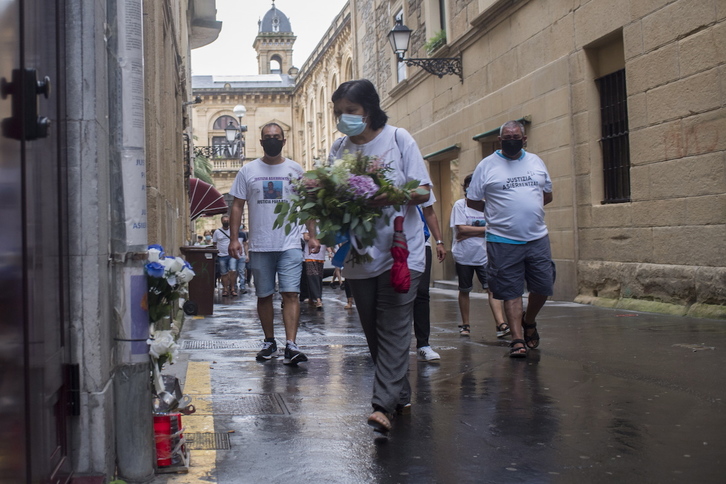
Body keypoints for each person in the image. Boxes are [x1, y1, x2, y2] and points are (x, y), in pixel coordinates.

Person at [328, 79, 432, 435]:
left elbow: (422, 190)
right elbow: (332, 194)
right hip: (359, 255)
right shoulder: (339, 150)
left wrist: (388, 195)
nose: (344, 118)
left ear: (368, 110)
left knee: (394, 324)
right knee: (373, 330)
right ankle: (399, 393)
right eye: (339, 112)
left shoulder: (399, 139)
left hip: (401, 252)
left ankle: (381, 405)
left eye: (351, 112)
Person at [228, 122, 320, 365]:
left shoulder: (295, 169)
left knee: (291, 293)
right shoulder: (247, 171)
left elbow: (308, 203)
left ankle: (291, 344)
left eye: (276, 136)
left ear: (283, 140)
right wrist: (234, 239)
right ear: (261, 141)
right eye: (267, 136)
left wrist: (313, 234)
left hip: (289, 243)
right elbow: (237, 205)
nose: (272, 140)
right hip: (260, 245)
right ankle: (270, 341)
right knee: (264, 295)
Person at [466, 120, 554, 358]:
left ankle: (529, 320)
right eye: (507, 137)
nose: (512, 140)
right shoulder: (487, 166)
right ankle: (517, 339)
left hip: (537, 237)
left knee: (544, 286)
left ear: (524, 139)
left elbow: (547, 195)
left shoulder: (536, 162)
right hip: (502, 239)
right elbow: (472, 201)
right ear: (500, 140)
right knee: (511, 290)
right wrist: (498, 213)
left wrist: (526, 210)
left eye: (516, 136)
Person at [450, 174, 510, 339]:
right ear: (465, 188)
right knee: (464, 290)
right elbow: (461, 230)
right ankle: (465, 324)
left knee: (491, 289)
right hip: (464, 255)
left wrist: (469, 231)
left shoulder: (487, 207)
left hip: (484, 255)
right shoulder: (460, 205)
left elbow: (496, 227)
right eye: (469, 186)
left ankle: (501, 324)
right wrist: (485, 229)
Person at [412, 193, 446, 362]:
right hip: (392, 242)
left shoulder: (421, 181)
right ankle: (393, 345)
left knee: (422, 292)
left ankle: (423, 345)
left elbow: (429, 211)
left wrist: (439, 241)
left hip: (421, 244)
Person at [212, 215, 238, 297]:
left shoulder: (233, 231)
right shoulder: (217, 232)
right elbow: (214, 243)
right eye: (224, 221)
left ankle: (233, 288)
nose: (226, 222)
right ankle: (225, 289)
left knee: (233, 271)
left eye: (227, 220)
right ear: (221, 221)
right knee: (224, 273)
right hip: (221, 255)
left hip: (232, 254)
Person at [303, 231, 326, 310]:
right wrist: (318, 237)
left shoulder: (324, 225)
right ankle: (317, 299)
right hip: (310, 254)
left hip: (321, 254)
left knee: (318, 276)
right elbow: (305, 237)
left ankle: (313, 298)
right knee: (312, 276)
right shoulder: (308, 223)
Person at [236, 225, 249, 294]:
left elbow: (245, 245)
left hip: (242, 255)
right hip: (233, 255)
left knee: (241, 272)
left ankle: (242, 287)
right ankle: (234, 287)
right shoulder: (230, 234)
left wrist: (247, 255)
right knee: (233, 271)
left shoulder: (242, 234)